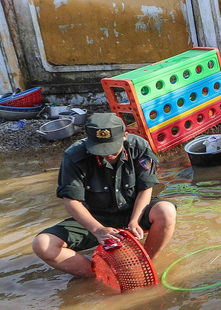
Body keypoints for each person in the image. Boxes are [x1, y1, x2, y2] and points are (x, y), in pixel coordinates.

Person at [32, 114, 177, 278]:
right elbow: (71, 202)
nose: (108, 154)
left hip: (133, 209)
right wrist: (98, 230)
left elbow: (146, 188)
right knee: (43, 244)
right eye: (101, 150)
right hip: (96, 217)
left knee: (166, 211)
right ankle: (102, 276)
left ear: (125, 136)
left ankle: (145, 263)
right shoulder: (74, 156)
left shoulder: (139, 147)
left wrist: (135, 220)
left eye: (113, 148)